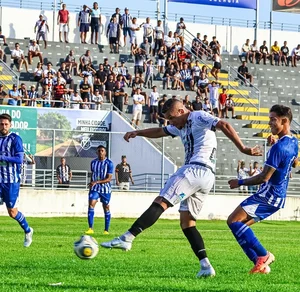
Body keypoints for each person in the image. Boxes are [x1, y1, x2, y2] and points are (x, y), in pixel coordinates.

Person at [101, 98, 261, 278]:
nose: (171, 122)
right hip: (206, 177)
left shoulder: (198, 116)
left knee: (161, 201)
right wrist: (138, 132)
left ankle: (127, 238)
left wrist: (243, 148)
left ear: (181, 110)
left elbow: (223, 124)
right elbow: (160, 131)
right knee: (187, 223)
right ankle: (206, 266)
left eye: (171, 117)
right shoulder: (179, 126)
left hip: (194, 169)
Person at [227, 105, 298, 274]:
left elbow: (263, 177)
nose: (269, 123)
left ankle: (263, 255)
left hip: (268, 195)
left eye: (273, 119)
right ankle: (261, 266)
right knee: (240, 227)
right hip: (278, 197)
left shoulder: (279, 148)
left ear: (285, 121)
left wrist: (240, 182)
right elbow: (295, 162)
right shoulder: (293, 141)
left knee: (233, 221)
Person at [0, 114, 33, 247]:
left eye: (6, 124)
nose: (3, 126)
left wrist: (2, 157)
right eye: (1, 124)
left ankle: (28, 230)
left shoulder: (15, 139)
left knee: (12, 212)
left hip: (11, 180)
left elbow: (19, 159)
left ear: (10, 125)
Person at [85, 145, 113, 235]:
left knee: (106, 207)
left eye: (102, 150)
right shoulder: (93, 162)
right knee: (91, 204)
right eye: (99, 151)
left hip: (105, 189)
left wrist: (96, 182)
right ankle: (90, 228)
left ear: (105, 152)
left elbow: (108, 179)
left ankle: (106, 230)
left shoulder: (109, 163)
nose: (100, 152)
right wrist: (91, 184)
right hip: (95, 188)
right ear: (97, 152)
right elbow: (93, 174)